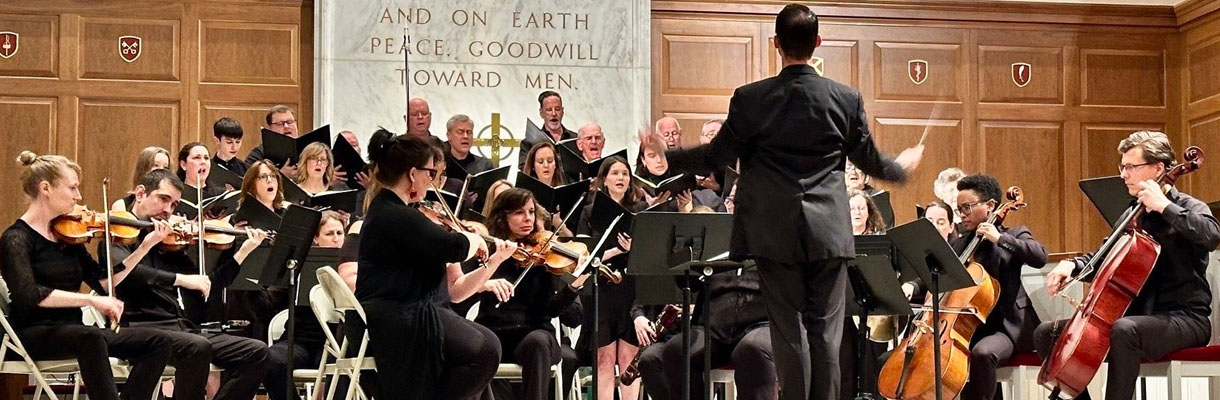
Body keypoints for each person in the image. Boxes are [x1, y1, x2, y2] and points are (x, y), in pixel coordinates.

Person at [639, 4, 923, 398]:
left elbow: (715, 156)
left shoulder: (750, 99)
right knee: (826, 333)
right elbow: (870, 161)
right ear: (818, 43)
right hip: (828, 233)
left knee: (788, 332)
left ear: (776, 44)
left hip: (774, 234)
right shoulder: (845, 98)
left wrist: (664, 157)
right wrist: (902, 167)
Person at [1036, 131, 1219, 400]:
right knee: (1046, 334)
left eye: (1131, 167)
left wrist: (1165, 207)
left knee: (1125, 330)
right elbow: (1103, 258)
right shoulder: (1133, 213)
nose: (1123, 175)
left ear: (1158, 168)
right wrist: (1071, 265)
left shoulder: (1188, 207)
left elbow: (1211, 235)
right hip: (1137, 318)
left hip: (1184, 318)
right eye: (1122, 167)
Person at [0, 151, 178, 400]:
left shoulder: (68, 237)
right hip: (35, 332)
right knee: (91, 336)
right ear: (46, 188)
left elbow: (105, 283)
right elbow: (29, 295)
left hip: (76, 331)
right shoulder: (15, 238)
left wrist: (145, 246)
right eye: (72, 188)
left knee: (159, 342)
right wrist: (90, 300)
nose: (79, 196)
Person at [356, 130, 506, 399]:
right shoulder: (394, 213)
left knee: (489, 345)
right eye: (430, 173)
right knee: (483, 351)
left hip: (408, 310)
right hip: (396, 316)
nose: (432, 180)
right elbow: (455, 247)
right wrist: (474, 238)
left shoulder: (393, 210)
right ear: (413, 174)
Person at [110, 168, 271, 400]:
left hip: (181, 329)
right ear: (140, 193)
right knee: (197, 346)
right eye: (163, 199)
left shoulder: (170, 244)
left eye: (174, 205)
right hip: (141, 329)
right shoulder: (118, 234)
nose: (168, 211)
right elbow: (127, 273)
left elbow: (207, 287)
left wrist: (242, 253)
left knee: (257, 352)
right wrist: (178, 278)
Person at [900, 174, 1048, 400]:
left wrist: (999, 239)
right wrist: (912, 285)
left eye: (967, 208)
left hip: (1007, 328)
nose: (962, 215)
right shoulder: (961, 243)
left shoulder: (1013, 234)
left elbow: (1040, 256)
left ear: (989, 206)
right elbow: (939, 273)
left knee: (982, 353)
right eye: (959, 209)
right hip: (973, 328)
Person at [476, 188, 588, 400]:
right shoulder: (490, 253)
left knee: (537, 342)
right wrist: (485, 281)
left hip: (534, 336)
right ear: (503, 216)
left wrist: (574, 287)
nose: (527, 218)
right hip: (496, 334)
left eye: (531, 212)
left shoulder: (544, 256)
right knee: (482, 347)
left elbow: (555, 310)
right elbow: (461, 297)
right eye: (519, 213)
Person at [575, 156, 648, 400]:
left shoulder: (640, 210)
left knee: (629, 360)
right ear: (604, 179)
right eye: (615, 173)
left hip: (631, 289)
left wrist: (634, 248)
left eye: (625, 174)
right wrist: (619, 250)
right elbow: (583, 255)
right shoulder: (588, 212)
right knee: (604, 359)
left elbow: (649, 253)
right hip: (600, 290)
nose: (621, 178)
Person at [518, 91, 577, 170]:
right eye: (549, 110)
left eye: (557, 109)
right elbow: (524, 169)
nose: (554, 113)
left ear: (562, 111)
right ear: (541, 113)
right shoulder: (529, 143)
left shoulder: (576, 139)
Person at [245, 105, 300, 177]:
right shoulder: (259, 154)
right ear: (270, 128)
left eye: (290, 122)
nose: (286, 126)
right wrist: (281, 175)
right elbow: (249, 181)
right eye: (280, 124)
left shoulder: (310, 148)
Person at [114, 146, 171, 212]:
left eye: (165, 168)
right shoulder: (121, 205)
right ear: (143, 168)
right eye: (156, 165)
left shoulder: (170, 207)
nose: (161, 170)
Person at [444, 114, 493, 181]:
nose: (465, 136)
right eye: (460, 132)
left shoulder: (484, 166)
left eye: (469, 132)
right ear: (449, 135)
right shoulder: (440, 163)